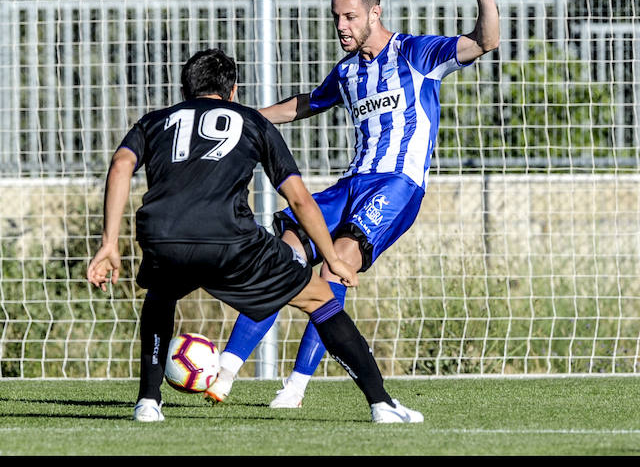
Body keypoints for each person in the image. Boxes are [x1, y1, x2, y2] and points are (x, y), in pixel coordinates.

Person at [206, 0, 511, 408]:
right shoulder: (348, 71)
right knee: (279, 260)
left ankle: (296, 386)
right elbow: (303, 104)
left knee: (335, 267)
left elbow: (485, 41)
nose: (342, 27)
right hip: (350, 185)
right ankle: (223, 374)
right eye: (336, 18)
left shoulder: (415, 54)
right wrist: (241, 118)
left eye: (350, 17)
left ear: (375, 11)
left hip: (396, 185)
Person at [86, 48, 424, 423]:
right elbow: (298, 198)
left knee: (161, 295)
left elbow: (120, 164)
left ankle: (148, 402)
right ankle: (381, 404)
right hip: (231, 241)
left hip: (164, 236)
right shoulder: (251, 121)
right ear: (233, 92)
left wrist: (109, 243)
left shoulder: (154, 121)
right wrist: (331, 256)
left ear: (186, 90)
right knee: (321, 299)